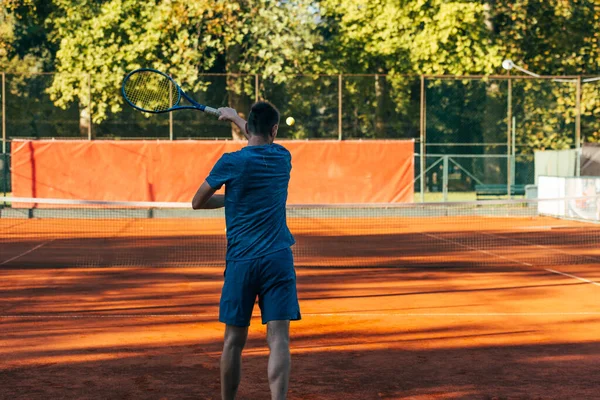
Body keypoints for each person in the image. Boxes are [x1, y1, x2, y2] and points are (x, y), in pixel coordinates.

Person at [191, 102, 301, 400]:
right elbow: (260, 136)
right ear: (275, 130)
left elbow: (197, 202)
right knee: (279, 339)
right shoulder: (283, 157)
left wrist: (233, 198)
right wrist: (236, 117)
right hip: (278, 259)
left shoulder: (230, 162)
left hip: (242, 262)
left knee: (233, 341)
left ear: (248, 127)